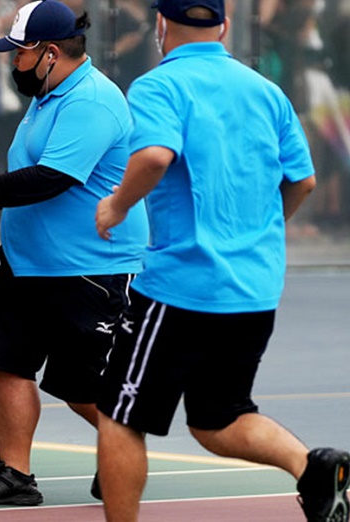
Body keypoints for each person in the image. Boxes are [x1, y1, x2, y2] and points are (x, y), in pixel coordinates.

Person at [94, 1, 350, 521]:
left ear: (162, 25)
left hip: (179, 286)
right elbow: (302, 180)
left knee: (120, 415)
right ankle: (317, 469)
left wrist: (116, 205)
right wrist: (259, 233)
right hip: (253, 290)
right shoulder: (265, 91)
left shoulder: (157, 86)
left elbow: (153, 156)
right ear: (225, 26)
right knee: (218, 418)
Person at [0, 0, 148, 505]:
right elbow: (21, 179)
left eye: (17, 53)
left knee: (81, 384)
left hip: (90, 269)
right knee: (5, 364)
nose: (9, 61)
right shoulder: (47, 98)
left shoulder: (91, 101)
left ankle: (122, 449)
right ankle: (15, 476)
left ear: (48, 54)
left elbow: (51, 179)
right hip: (25, 265)